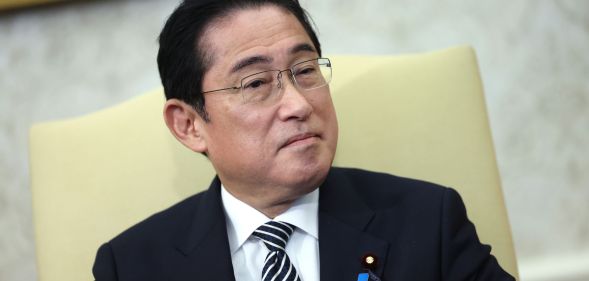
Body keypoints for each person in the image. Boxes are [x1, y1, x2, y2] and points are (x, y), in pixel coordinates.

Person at [92, 0, 515, 280]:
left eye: (306, 70)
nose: (297, 104)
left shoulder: (428, 222)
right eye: (256, 82)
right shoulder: (131, 266)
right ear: (189, 125)